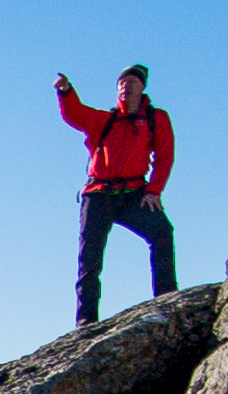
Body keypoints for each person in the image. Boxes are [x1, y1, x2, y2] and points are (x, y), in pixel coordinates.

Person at [58, 66, 177, 324]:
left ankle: (167, 298)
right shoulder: (104, 120)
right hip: (98, 194)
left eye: (132, 82)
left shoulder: (157, 118)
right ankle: (86, 322)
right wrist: (66, 92)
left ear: (142, 87)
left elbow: (165, 156)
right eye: (122, 82)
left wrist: (154, 191)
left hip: (135, 193)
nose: (126, 86)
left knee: (162, 232)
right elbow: (76, 114)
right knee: (90, 259)